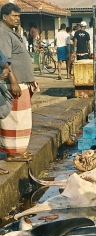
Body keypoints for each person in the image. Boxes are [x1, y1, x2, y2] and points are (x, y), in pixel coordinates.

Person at [0, 3, 37, 163]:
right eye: (14, 16)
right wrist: (13, 81)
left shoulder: (13, 33)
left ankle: (19, 150)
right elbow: (5, 61)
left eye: (19, 16)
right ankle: (11, 152)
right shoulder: (2, 33)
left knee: (21, 118)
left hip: (23, 82)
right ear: (4, 17)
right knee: (13, 119)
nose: (17, 19)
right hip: (14, 84)